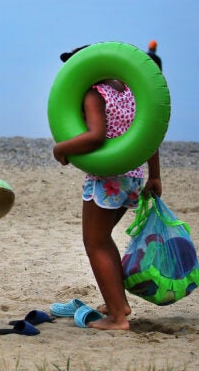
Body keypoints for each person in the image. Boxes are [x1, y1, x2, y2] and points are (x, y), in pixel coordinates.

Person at [53, 46, 162, 330]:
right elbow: (147, 133)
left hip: (107, 178)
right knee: (104, 239)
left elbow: (96, 136)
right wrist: (154, 176)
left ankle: (117, 317)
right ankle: (119, 303)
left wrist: (61, 148)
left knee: (95, 242)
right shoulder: (128, 90)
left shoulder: (93, 92)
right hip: (133, 177)